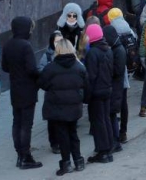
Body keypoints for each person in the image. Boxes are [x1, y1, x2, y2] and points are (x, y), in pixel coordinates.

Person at [38, 39, 88, 176]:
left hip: (57, 107)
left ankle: (66, 164)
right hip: (74, 106)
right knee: (73, 133)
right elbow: (85, 84)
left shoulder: (50, 67)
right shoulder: (79, 67)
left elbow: (42, 83)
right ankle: (78, 161)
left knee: (62, 135)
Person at [1, 16, 42, 169]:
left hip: (15, 88)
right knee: (26, 124)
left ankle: (20, 155)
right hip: (27, 89)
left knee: (17, 122)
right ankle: (26, 157)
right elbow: (32, 69)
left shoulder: (8, 44)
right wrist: (41, 75)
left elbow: (4, 67)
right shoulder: (26, 46)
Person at [84, 24, 114, 164]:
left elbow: (91, 76)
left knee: (98, 121)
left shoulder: (92, 53)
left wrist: (86, 96)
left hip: (96, 92)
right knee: (106, 119)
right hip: (107, 89)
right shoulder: (108, 50)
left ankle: (102, 151)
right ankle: (108, 149)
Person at [38, 30, 64, 154]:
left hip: (64, 91)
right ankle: (54, 143)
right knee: (52, 118)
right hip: (52, 91)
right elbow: (41, 70)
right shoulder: (47, 55)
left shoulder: (68, 53)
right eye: (56, 41)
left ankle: (63, 140)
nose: (59, 44)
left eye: (61, 41)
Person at [102, 26, 126, 154]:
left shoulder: (118, 50)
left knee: (111, 115)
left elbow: (117, 71)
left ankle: (115, 142)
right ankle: (115, 142)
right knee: (111, 115)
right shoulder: (117, 48)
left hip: (116, 88)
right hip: (116, 87)